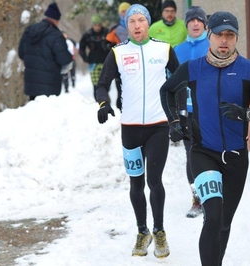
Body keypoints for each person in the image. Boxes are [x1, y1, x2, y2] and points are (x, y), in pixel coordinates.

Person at [160, 11, 250, 266]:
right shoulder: (193, 68)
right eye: (219, 35)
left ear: (235, 39)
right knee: (212, 216)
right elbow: (166, 90)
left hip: (236, 157)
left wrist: (245, 113)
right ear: (209, 36)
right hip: (203, 153)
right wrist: (174, 121)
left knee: (224, 223)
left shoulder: (247, 69)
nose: (224, 40)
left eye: (230, 35)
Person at [95, 4, 185, 259]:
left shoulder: (164, 49)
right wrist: (104, 103)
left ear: (148, 23)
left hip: (158, 126)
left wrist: (177, 117)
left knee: (154, 181)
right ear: (127, 25)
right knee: (136, 183)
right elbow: (102, 84)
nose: (136, 25)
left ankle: (159, 231)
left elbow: (178, 84)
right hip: (131, 129)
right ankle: (142, 230)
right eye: (131, 21)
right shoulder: (118, 53)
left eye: (141, 20)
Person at [174, 6, 209, 218]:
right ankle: (197, 199)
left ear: (205, 24)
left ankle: (212, 197)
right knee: (191, 154)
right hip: (186, 111)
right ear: (186, 24)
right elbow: (171, 81)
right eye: (191, 20)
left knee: (210, 153)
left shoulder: (213, 45)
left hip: (210, 109)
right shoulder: (178, 50)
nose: (195, 23)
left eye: (199, 20)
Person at [18, 2, 72, 101]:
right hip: (50, 85)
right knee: (47, 114)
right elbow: (64, 60)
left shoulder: (29, 31)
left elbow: (21, 53)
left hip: (31, 83)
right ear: (56, 20)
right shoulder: (56, 35)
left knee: (34, 112)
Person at [106, 2, 131, 111]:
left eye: (127, 11)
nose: (125, 13)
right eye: (123, 11)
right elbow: (107, 44)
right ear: (119, 13)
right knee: (120, 88)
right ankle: (121, 111)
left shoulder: (138, 25)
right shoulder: (115, 29)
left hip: (136, 61)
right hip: (120, 63)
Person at [79, 14, 110, 100]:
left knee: (106, 84)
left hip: (106, 62)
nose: (97, 27)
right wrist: (85, 58)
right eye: (95, 25)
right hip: (93, 63)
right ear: (92, 25)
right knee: (96, 85)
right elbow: (81, 47)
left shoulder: (107, 33)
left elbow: (113, 44)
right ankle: (98, 102)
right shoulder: (87, 35)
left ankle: (105, 99)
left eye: (98, 25)